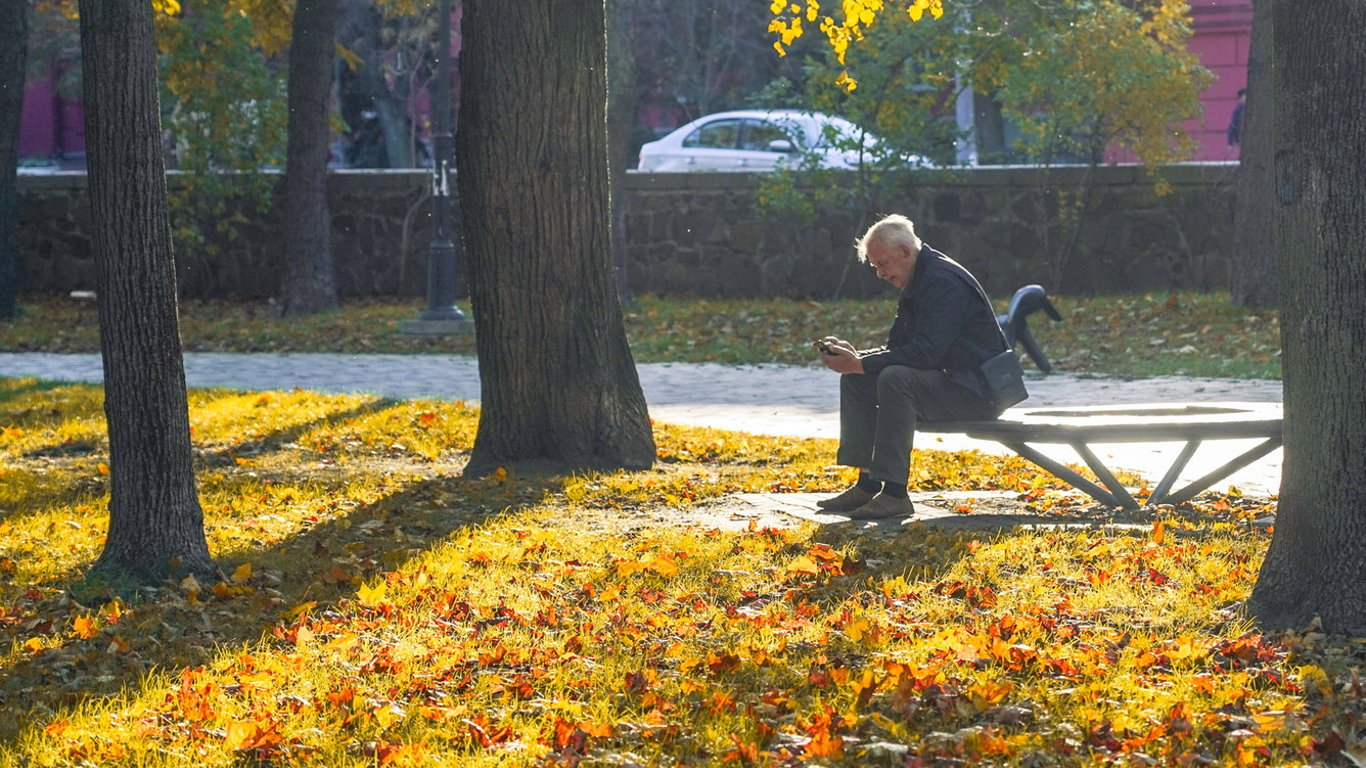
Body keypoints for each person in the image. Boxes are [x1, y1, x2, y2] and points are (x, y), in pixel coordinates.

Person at [815, 214, 1011, 520]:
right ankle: (867, 484)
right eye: (875, 266)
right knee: (856, 378)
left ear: (906, 251)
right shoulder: (918, 279)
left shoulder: (942, 282)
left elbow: (926, 354)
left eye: (882, 264)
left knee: (896, 378)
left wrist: (863, 363)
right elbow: (899, 349)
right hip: (951, 381)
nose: (879, 273)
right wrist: (856, 358)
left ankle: (894, 493)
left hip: (977, 392)